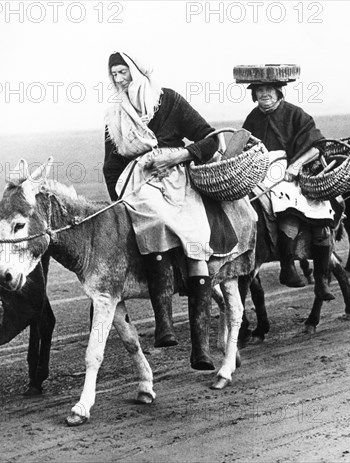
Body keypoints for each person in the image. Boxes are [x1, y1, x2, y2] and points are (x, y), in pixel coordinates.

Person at [103, 51, 243, 370]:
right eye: (114, 75)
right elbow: (111, 164)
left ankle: (201, 348)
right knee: (153, 219)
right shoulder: (114, 114)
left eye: (124, 72)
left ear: (137, 71)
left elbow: (209, 141)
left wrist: (177, 156)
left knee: (197, 240)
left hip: (178, 178)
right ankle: (163, 323)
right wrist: (119, 198)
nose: (119, 79)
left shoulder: (169, 101)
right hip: (138, 183)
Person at [241, 78, 336, 301]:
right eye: (259, 90)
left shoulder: (295, 113)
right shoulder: (252, 118)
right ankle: (282, 265)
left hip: (294, 170)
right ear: (254, 95)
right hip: (261, 172)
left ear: (278, 92)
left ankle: (318, 279)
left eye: (268, 90)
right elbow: (244, 144)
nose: (264, 94)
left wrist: (295, 165)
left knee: (316, 213)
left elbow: (317, 146)